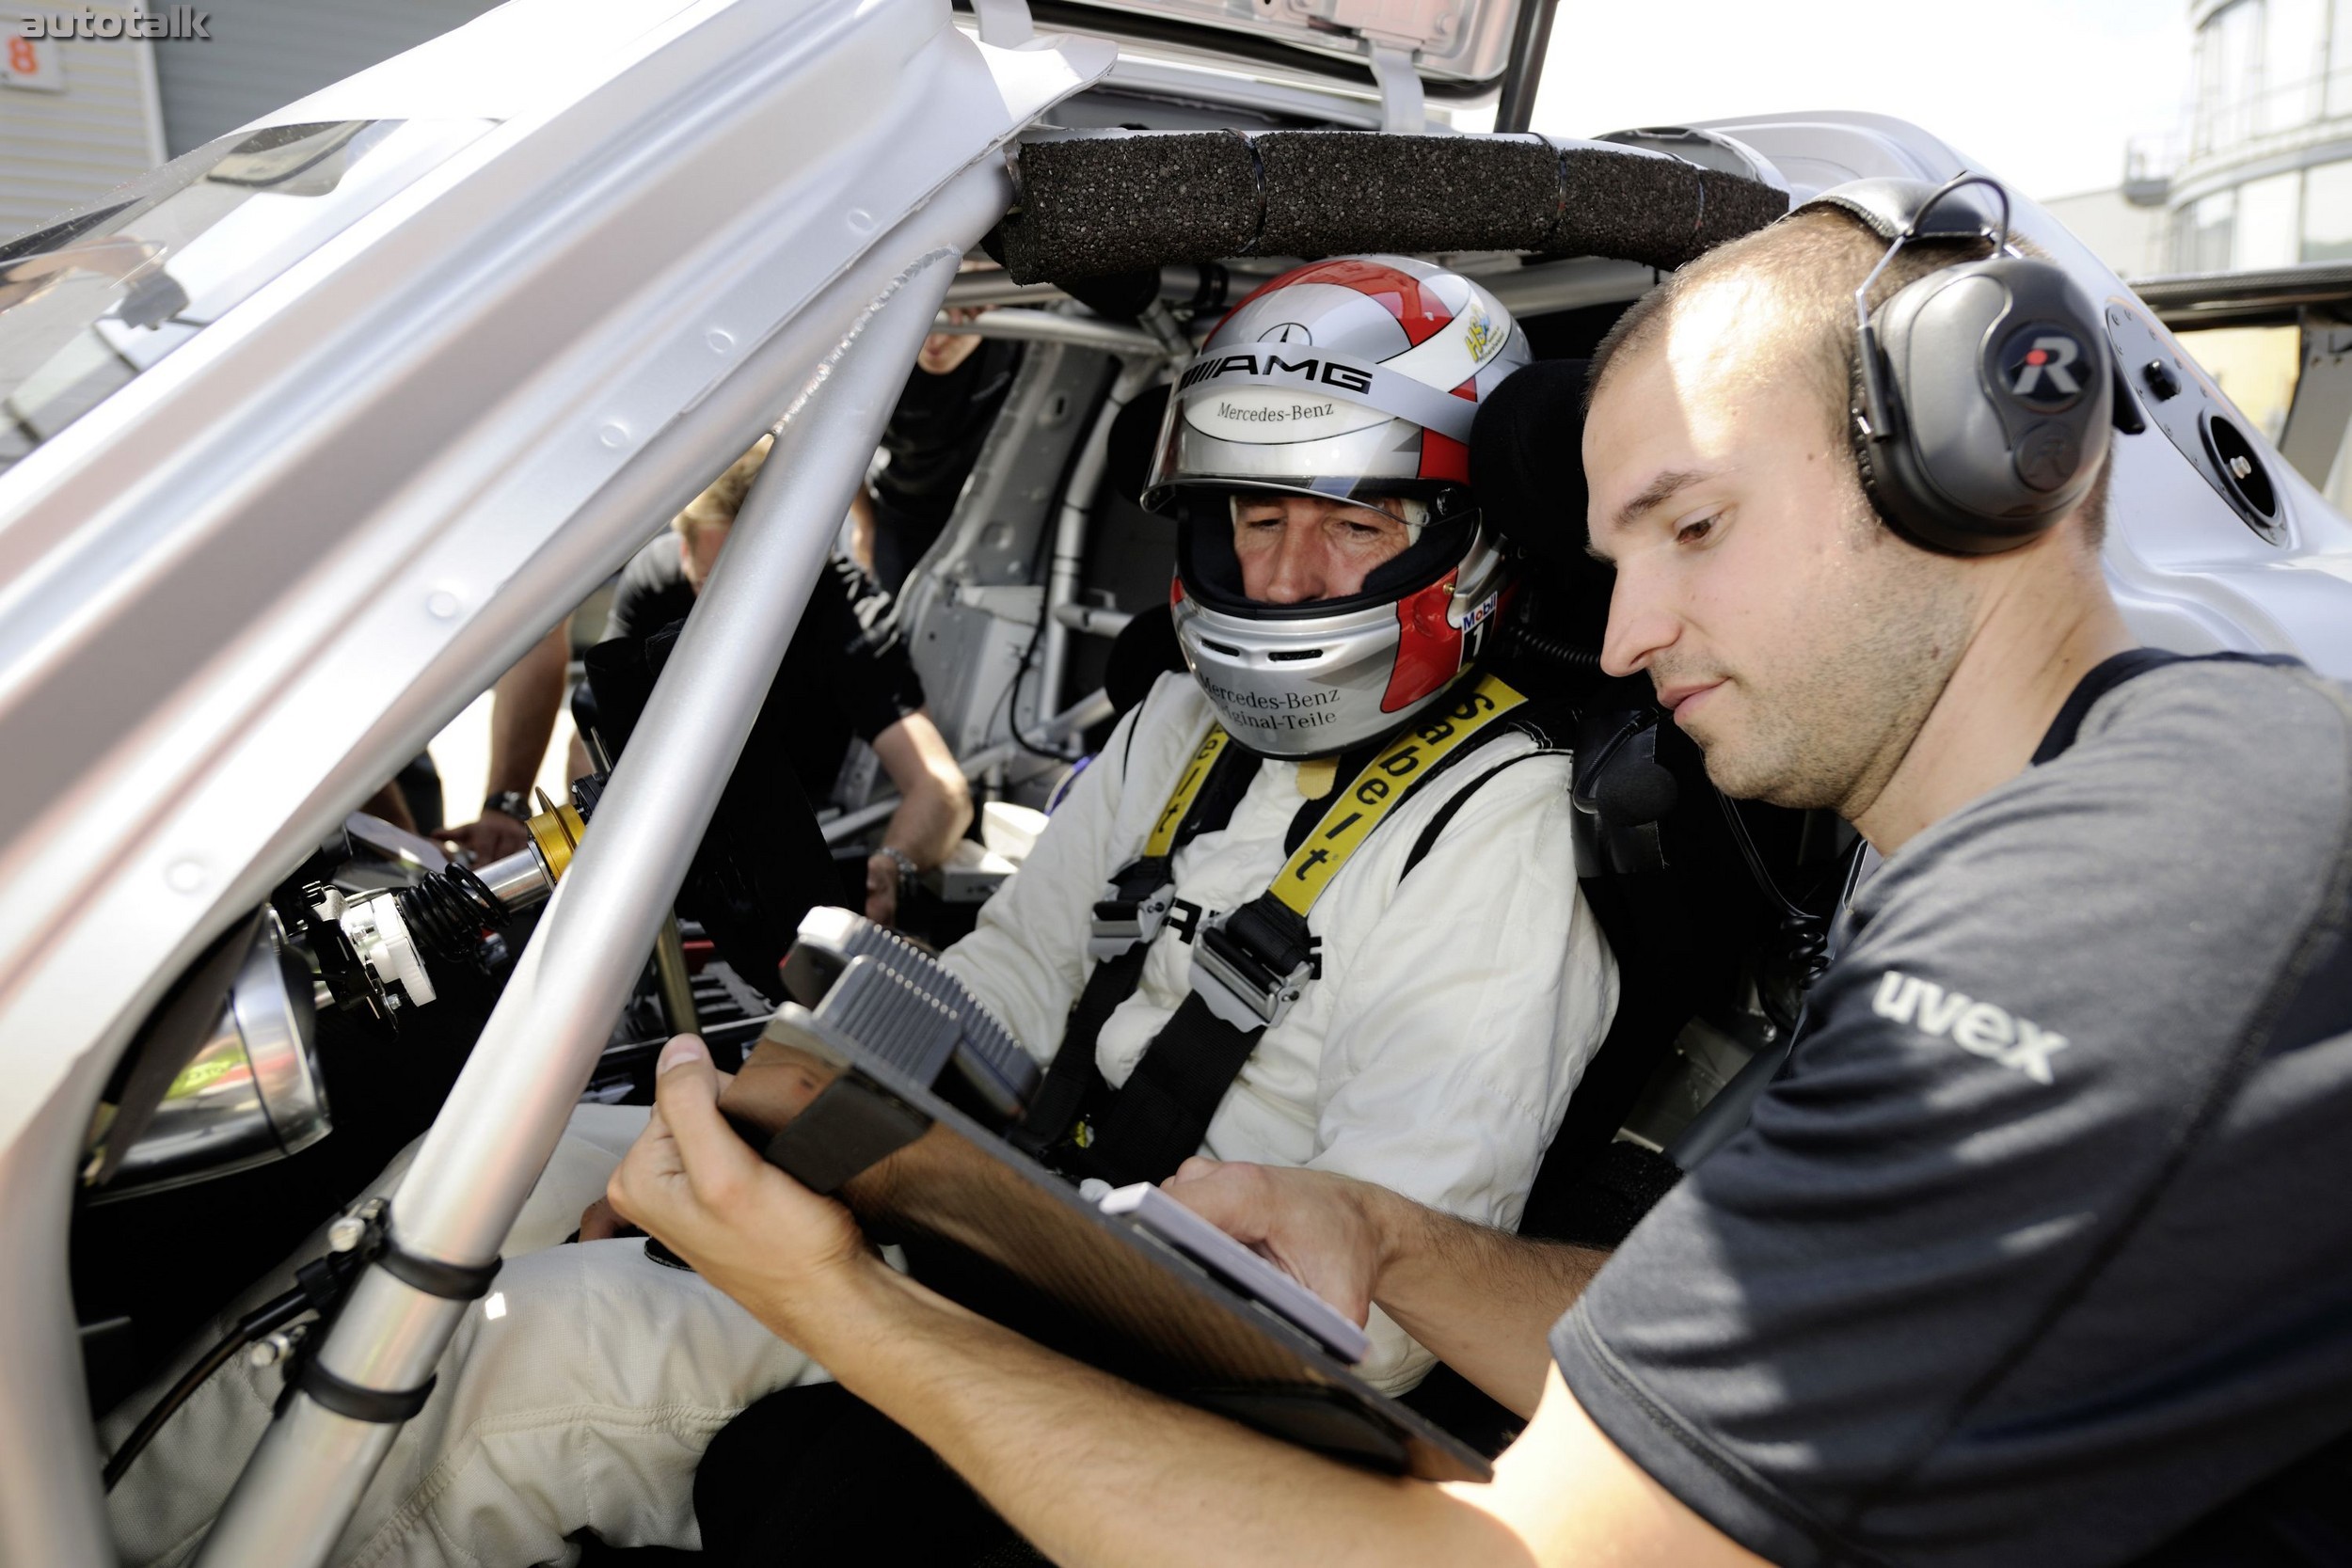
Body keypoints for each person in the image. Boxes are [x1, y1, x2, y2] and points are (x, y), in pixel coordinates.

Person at [610, 182, 2352, 1568]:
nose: (1639, 627)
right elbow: (1714, 1361)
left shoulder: (2129, 897)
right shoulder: (1998, 858)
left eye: (1693, 526)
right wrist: (1392, 1237)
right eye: (1612, 559)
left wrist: (837, 1299)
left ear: (1977, 454)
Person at [103, 256, 1617, 1568]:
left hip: (1112, 1346)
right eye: (1252, 521)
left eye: (1351, 526)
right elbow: (1013, 989)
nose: (1287, 582)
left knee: (479, 1365)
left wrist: (858, 1234)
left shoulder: (1506, 832)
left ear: (1462, 534)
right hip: (979, 1205)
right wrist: (786, 1130)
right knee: (475, 1162)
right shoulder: (1186, 730)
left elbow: (1383, 1320)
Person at [849, 290, 1022, 591]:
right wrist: (864, 523)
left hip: (995, 498)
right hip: (907, 507)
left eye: (952, 322)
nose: (935, 340)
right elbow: (839, 453)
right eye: (924, 322)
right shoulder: (872, 367)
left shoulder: (1016, 322)